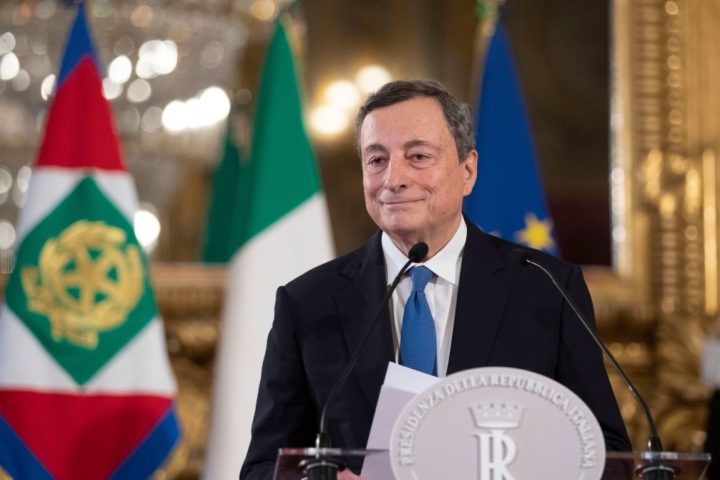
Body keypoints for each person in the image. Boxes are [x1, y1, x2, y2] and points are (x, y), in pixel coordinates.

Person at [239, 80, 631, 479]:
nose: (393, 178)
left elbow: (608, 453)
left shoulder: (545, 288)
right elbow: (262, 467)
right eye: (376, 160)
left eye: (418, 156)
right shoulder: (309, 303)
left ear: (468, 170)